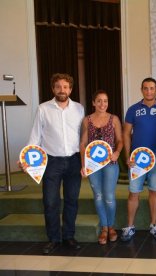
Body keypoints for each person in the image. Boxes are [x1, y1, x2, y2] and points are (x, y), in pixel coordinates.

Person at [24, 73, 84, 254]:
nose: (62, 90)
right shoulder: (43, 109)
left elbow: (83, 137)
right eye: (58, 86)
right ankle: (53, 239)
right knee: (50, 202)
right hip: (51, 162)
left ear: (71, 89)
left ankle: (68, 236)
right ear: (53, 89)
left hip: (74, 161)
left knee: (72, 201)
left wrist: (85, 161)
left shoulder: (79, 109)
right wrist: (26, 158)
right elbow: (35, 136)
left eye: (65, 87)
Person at [121, 78, 156, 241]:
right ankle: (129, 226)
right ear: (141, 90)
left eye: (152, 88)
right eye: (146, 88)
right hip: (137, 158)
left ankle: (154, 225)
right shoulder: (133, 109)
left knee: (154, 191)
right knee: (134, 192)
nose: (149, 91)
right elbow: (126, 134)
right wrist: (128, 156)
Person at [79, 90, 123, 245]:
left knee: (109, 196)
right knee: (98, 196)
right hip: (93, 166)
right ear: (93, 103)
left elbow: (120, 140)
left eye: (105, 101)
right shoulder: (87, 120)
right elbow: (83, 144)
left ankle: (111, 226)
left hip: (110, 164)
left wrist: (117, 152)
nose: (102, 104)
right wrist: (84, 165)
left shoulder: (114, 119)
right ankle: (104, 227)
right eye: (99, 101)